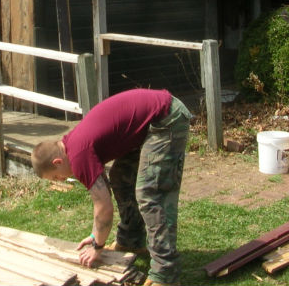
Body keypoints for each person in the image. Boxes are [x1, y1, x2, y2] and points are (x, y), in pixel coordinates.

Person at [31, 88, 191, 286]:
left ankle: (165, 271)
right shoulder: (74, 145)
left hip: (167, 118)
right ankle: (130, 241)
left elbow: (103, 207)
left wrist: (97, 245)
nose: (61, 181)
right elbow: (102, 198)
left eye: (56, 177)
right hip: (151, 123)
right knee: (121, 177)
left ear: (57, 162)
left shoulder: (78, 155)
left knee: (150, 193)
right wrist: (93, 236)